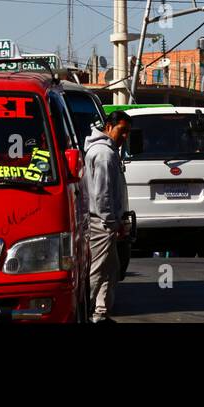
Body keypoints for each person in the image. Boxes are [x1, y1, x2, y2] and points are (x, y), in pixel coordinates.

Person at [84, 111, 131, 323]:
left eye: (128, 133)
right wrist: (112, 222)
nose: (124, 137)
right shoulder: (105, 154)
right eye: (122, 131)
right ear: (109, 127)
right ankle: (88, 310)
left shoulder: (106, 151)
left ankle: (100, 311)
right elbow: (102, 193)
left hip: (106, 221)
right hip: (101, 223)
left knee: (111, 268)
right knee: (98, 269)